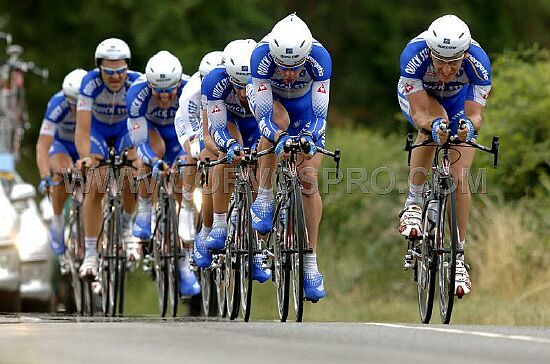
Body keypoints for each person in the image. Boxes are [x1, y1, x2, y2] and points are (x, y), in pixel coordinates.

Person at [397, 14, 492, 296]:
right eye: (440, 62)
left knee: (460, 176)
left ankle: (459, 257)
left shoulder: (479, 63)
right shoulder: (413, 55)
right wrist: (434, 125)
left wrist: (467, 130)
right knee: (432, 126)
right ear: (430, 53)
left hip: (458, 102)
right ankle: (414, 203)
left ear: (465, 54)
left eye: (454, 63)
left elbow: (475, 117)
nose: (447, 69)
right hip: (421, 99)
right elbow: (419, 114)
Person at [248, 14, 331, 301]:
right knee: (276, 126)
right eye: (283, 67)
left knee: (308, 179)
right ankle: (266, 196)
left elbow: (321, 117)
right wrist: (277, 137)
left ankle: (310, 262)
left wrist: (311, 136)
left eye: (295, 68)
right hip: (274, 106)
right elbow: (262, 117)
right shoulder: (260, 56)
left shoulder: (320, 58)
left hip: (306, 109)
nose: (289, 74)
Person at [197, 39, 271, 283]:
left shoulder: (265, 75)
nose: (242, 94)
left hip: (256, 126)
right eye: (236, 86)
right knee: (222, 158)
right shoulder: (214, 81)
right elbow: (211, 133)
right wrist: (228, 146)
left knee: (259, 169)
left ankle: (257, 249)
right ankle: (216, 224)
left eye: (246, 86)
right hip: (226, 125)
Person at [127, 50, 200, 296]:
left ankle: (186, 262)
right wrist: (153, 161)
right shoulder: (136, 95)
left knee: (185, 177)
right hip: (153, 136)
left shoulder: (192, 89)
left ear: (179, 83)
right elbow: (139, 141)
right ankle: (146, 208)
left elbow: (194, 134)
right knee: (148, 158)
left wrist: (186, 157)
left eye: (170, 89)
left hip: (180, 137)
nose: (165, 95)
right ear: (149, 85)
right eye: (158, 90)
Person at [75, 38, 141, 278]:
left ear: (128, 68)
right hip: (98, 131)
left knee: (133, 176)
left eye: (120, 71)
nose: (115, 77)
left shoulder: (136, 82)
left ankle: (126, 227)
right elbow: (82, 129)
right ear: (99, 69)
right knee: (96, 183)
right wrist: (86, 157)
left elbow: (140, 126)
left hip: (125, 130)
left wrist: (137, 155)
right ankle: (91, 254)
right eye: (109, 72)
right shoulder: (89, 83)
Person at [174, 50, 223, 268]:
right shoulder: (190, 93)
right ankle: (187, 205)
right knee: (196, 155)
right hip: (192, 125)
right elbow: (197, 134)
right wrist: (202, 149)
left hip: (221, 118)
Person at [36, 68, 87, 255]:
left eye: (79, 103)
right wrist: (44, 176)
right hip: (62, 146)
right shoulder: (57, 104)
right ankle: (57, 221)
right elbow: (43, 145)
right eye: (71, 102)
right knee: (63, 172)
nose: (75, 108)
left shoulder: (95, 101)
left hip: (86, 144)